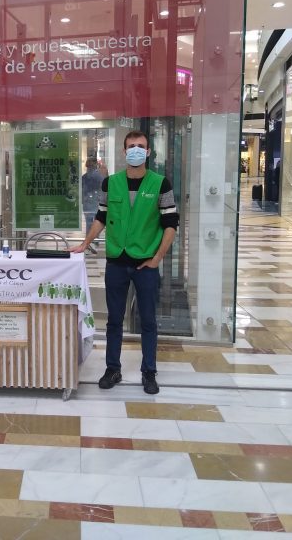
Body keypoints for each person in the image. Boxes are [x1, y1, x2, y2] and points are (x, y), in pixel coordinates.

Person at [71, 131, 179, 394]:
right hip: (116, 262)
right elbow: (101, 216)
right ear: (124, 151)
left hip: (146, 264)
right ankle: (113, 369)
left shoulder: (160, 184)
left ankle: (149, 371)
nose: (136, 150)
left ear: (148, 152)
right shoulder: (111, 183)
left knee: (148, 321)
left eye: (141, 146)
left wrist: (157, 258)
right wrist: (85, 243)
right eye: (131, 146)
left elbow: (171, 224)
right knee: (114, 320)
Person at [81, 157, 104, 230]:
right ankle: (94, 236)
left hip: (88, 203)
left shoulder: (84, 177)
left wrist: (83, 200)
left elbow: (82, 191)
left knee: (89, 223)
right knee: (96, 223)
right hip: (95, 202)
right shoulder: (100, 176)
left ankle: (90, 236)